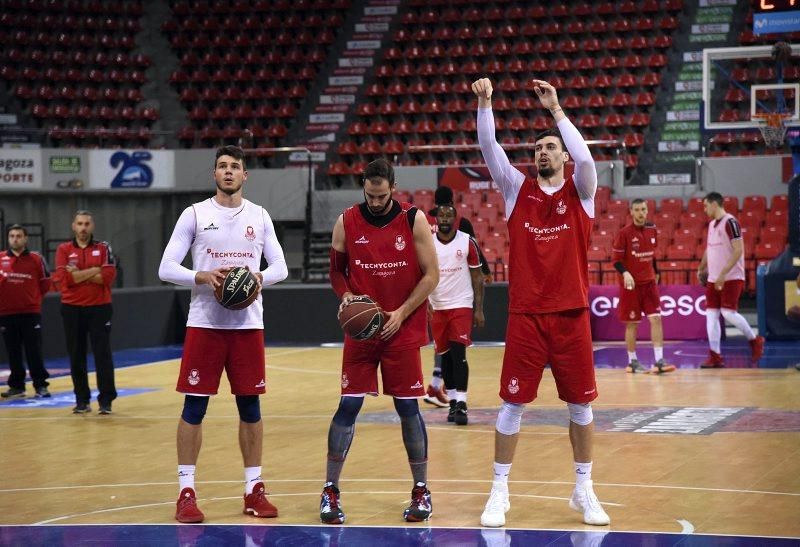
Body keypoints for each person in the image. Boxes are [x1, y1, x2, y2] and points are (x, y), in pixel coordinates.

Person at [472, 77, 610, 527]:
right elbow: (490, 148)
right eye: (538, 149)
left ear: (564, 156)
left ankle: (584, 489)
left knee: (581, 407)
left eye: (550, 148)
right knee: (512, 406)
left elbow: (587, 157)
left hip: (570, 315)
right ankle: (499, 492)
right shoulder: (516, 191)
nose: (543, 153)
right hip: (527, 316)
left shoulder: (582, 192)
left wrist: (557, 112)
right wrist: (487, 103)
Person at [158, 145, 288, 523]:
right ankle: (186, 492)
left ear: (245, 175)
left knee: (250, 407)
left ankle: (253, 489)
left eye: (235, 167)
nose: (228, 172)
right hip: (204, 324)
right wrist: (200, 275)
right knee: (194, 408)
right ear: (214, 174)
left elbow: (280, 266)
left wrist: (258, 277)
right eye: (222, 167)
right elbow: (166, 267)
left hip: (248, 325)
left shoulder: (260, 216)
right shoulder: (195, 214)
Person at [322, 158, 439, 524]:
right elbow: (336, 273)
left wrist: (402, 312)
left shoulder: (412, 219)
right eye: (370, 196)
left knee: (408, 409)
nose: (375, 202)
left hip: (400, 330)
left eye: (382, 195)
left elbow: (431, 275)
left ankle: (421, 490)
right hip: (362, 332)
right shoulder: (346, 220)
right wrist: (345, 297)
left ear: (393, 187)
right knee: (348, 407)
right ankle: (330, 490)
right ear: (364, 188)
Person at [424, 185, 492, 408]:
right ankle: (438, 388)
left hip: (453, 299)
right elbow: (477, 249)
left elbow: (472, 251)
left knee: (450, 352)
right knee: (446, 352)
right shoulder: (459, 222)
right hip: (439, 298)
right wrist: (487, 270)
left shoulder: (426, 222)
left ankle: (444, 391)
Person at [53, 211, 117, 414]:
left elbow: (107, 276)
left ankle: (105, 401)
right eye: (79, 223)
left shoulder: (103, 247)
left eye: (86, 224)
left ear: (92, 226)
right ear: (73, 226)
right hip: (72, 308)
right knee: (76, 355)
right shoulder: (63, 249)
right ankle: (82, 400)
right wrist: (94, 270)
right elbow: (65, 279)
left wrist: (79, 274)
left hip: (99, 307)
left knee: (102, 355)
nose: (83, 228)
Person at [697, 192, 765, 367]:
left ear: (714, 204)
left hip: (732, 277)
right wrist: (701, 266)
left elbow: (738, 250)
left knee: (728, 313)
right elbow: (709, 248)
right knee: (711, 315)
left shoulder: (731, 222)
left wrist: (723, 274)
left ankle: (754, 340)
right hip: (714, 278)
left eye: (705, 205)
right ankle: (715, 356)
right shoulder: (712, 224)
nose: (704, 209)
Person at [612, 199, 675, 374]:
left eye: (643, 209)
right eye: (637, 210)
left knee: (656, 319)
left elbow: (652, 255)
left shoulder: (652, 230)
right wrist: (625, 274)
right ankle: (632, 362)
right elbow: (616, 261)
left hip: (649, 284)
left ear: (647, 211)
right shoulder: (624, 233)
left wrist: (656, 271)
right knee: (632, 324)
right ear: (631, 212)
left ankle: (659, 361)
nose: (641, 213)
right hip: (631, 286)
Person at [0, 224, 52, 399]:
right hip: (6, 313)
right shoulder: (0, 259)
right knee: (13, 350)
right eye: (12, 236)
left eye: (19, 236)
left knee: (34, 350)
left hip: (30, 312)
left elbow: (45, 283)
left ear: (25, 238)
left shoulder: (37, 259)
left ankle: (40, 385)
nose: (15, 239)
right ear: (8, 239)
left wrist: (33, 299)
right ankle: (16, 385)